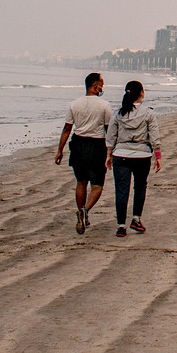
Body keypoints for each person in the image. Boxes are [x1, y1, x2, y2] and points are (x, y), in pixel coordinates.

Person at [54, 72, 112, 235]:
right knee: (97, 185)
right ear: (95, 86)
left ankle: (81, 211)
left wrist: (60, 150)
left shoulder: (74, 104)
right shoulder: (104, 105)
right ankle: (85, 211)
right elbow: (109, 130)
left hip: (78, 144)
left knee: (81, 182)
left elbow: (67, 128)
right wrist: (110, 151)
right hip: (96, 145)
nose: (102, 88)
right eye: (101, 85)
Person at [105, 80, 161, 238]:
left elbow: (111, 137)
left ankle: (121, 226)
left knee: (122, 191)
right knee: (140, 187)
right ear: (142, 93)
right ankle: (136, 218)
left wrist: (109, 155)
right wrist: (158, 157)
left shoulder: (118, 113)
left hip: (121, 155)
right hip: (142, 155)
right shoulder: (148, 113)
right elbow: (154, 137)